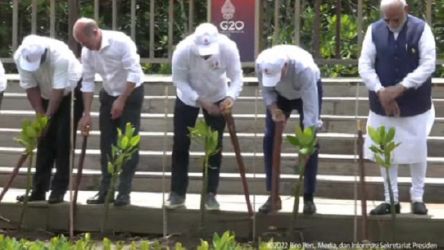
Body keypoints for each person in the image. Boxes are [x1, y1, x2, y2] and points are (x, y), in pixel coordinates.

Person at [359, 0, 436, 215]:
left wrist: (401, 87)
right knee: (385, 149)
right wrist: (381, 90)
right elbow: (364, 64)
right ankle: (390, 198)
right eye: (387, 20)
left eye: (396, 19)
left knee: (417, 148)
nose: (392, 24)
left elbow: (428, 63)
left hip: (415, 101)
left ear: (406, 10)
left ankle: (417, 197)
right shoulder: (373, 30)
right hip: (381, 101)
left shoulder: (421, 29)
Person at [164, 22, 243, 210]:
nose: (206, 54)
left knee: (214, 146)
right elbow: (179, 81)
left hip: (218, 95)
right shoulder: (183, 50)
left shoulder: (228, 48)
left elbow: (237, 76)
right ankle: (177, 193)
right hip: (188, 97)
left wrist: (230, 97)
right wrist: (200, 100)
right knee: (181, 143)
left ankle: (210, 194)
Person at [73, 17, 144, 207]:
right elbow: (87, 81)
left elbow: (134, 73)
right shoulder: (88, 52)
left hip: (131, 92)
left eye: (85, 41)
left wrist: (121, 100)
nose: (84, 46)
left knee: (127, 144)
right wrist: (86, 113)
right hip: (108, 92)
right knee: (107, 143)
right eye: (80, 43)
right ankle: (106, 190)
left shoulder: (121, 42)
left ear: (95, 32)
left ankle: (124, 191)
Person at [14, 35, 84, 203]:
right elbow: (30, 87)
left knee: (62, 140)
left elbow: (58, 92)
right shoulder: (20, 56)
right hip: (45, 94)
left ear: (45, 54)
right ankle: (38, 190)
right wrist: (40, 115)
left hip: (70, 92)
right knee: (44, 142)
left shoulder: (61, 56)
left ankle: (58, 190)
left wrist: (48, 117)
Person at [255, 45, 323, 215]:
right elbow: (266, 90)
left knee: (310, 143)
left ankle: (308, 196)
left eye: (278, 76)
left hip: (304, 94)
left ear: (286, 66)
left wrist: (307, 138)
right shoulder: (261, 64)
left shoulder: (304, 69)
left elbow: (310, 111)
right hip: (279, 97)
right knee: (269, 138)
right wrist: (273, 109)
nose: (276, 79)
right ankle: (273, 194)